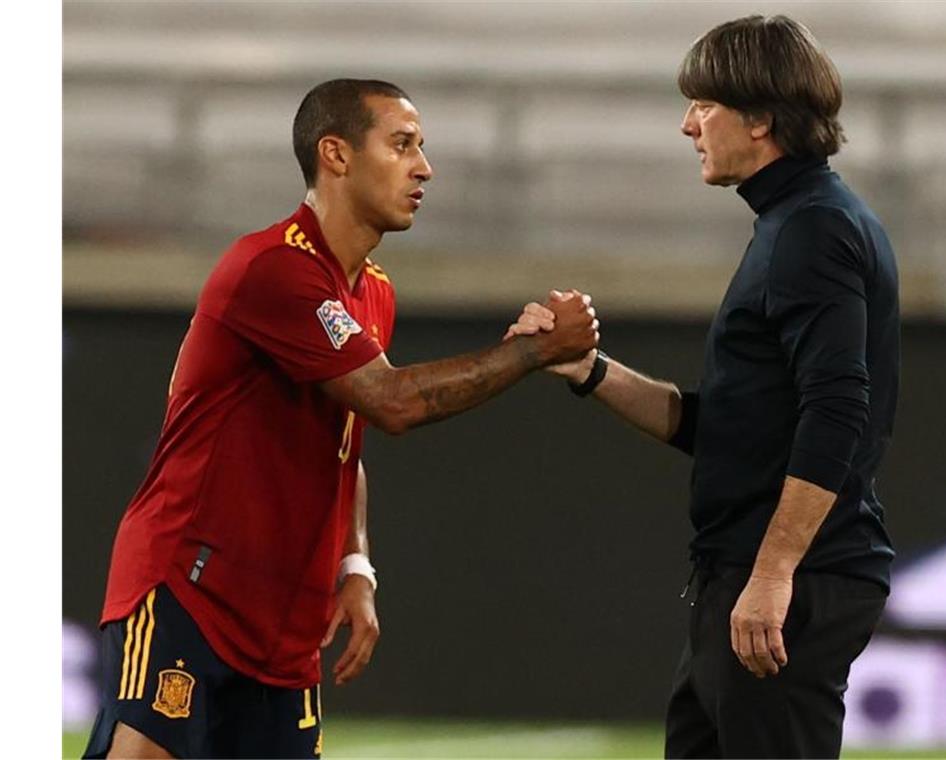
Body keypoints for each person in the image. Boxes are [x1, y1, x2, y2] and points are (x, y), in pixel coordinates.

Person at [82, 78, 598, 760]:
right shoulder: (273, 267)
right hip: (190, 591)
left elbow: (345, 441)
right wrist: (533, 353)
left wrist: (355, 563)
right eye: (404, 144)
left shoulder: (372, 292)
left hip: (283, 620)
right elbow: (393, 402)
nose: (425, 167)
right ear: (337, 154)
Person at [508, 15, 899, 759]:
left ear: (760, 118)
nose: (688, 125)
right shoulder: (792, 221)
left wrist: (774, 571)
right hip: (745, 573)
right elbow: (716, 424)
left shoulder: (813, 229)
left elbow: (838, 410)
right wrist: (587, 369)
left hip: (787, 578)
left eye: (704, 105)